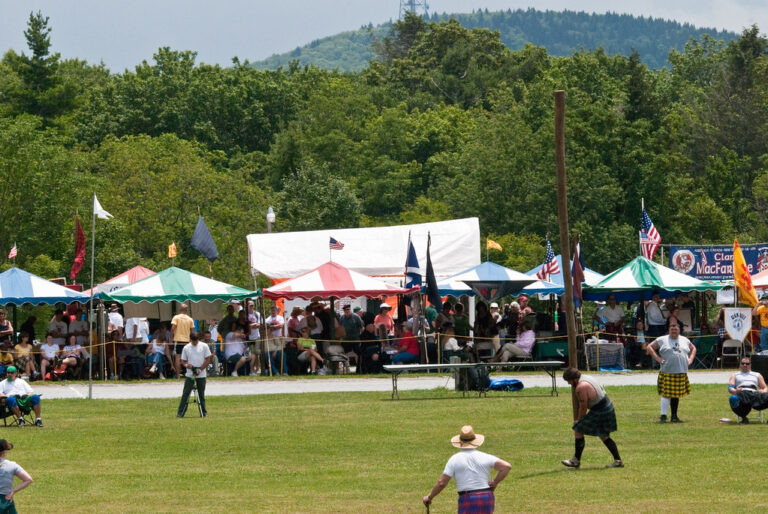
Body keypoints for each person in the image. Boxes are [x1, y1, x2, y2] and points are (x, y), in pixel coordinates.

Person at [422, 425, 511, 513]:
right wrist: (495, 482)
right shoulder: (485, 456)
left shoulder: (454, 459)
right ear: (475, 441)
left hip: (468, 497)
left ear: (460, 442)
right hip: (486, 496)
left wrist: (429, 497)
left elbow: (442, 483)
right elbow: (506, 467)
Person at [561, 368, 623, 469]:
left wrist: (579, 420)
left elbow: (583, 406)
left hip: (601, 408)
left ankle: (575, 460)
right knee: (603, 435)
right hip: (606, 405)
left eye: (568, 381)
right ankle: (618, 461)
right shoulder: (586, 377)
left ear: (574, 379)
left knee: (578, 429)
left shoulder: (581, 387)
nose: (568, 383)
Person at [646, 322, 696, 423]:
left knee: (675, 395)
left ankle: (674, 416)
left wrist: (690, 359)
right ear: (669, 330)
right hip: (667, 370)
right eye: (671, 329)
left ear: (679, 330)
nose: (674, 330)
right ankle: (663, 416)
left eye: (676, 329)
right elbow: (649, 347)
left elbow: (693, 348)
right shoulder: (662, 339)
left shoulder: (685, 339)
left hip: (681, 370)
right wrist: (658, 359)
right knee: (666, 394)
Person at [176, 332, 211, 418]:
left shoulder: (204, 346)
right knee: (186, 394)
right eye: (193, 341)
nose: (195, 343)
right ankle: (180, 413)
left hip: (201, 375)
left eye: (196, 341)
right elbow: (183, 361)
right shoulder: (186, 347)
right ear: (190, 339)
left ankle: (204, 412)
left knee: (201, 394)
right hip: (190, 375)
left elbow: (207, 359)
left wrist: (200, 369)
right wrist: (187, 365)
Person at [728, 357, 768, 424]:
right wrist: (735, 391)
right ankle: (744, 418)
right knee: (733, 398)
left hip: (754, 394)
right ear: (740, 364)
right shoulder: (735, 375)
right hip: (742, 393)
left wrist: (763, 391)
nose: (745, 365)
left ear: (750, 365)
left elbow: (765, 387)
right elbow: (730, 388)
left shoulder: (757, 374)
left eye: (747, 363)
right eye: (743, 363)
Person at [0, 439, 33, 512]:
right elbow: (28, 480)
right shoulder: (12, 465)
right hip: (4, 500)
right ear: (5, 452)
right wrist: (13, 492)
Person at [170, 303, 195, 378]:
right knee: (189, 358)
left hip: (178, 340)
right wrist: (192, 340)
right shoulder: (190, 319)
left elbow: (173, 328)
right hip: (187, 341)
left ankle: (178, 375)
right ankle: (189, 374)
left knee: (178, 358)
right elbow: (192, 331)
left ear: (180, 310)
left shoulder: (176, 317)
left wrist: (170, 337)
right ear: (187, 310)